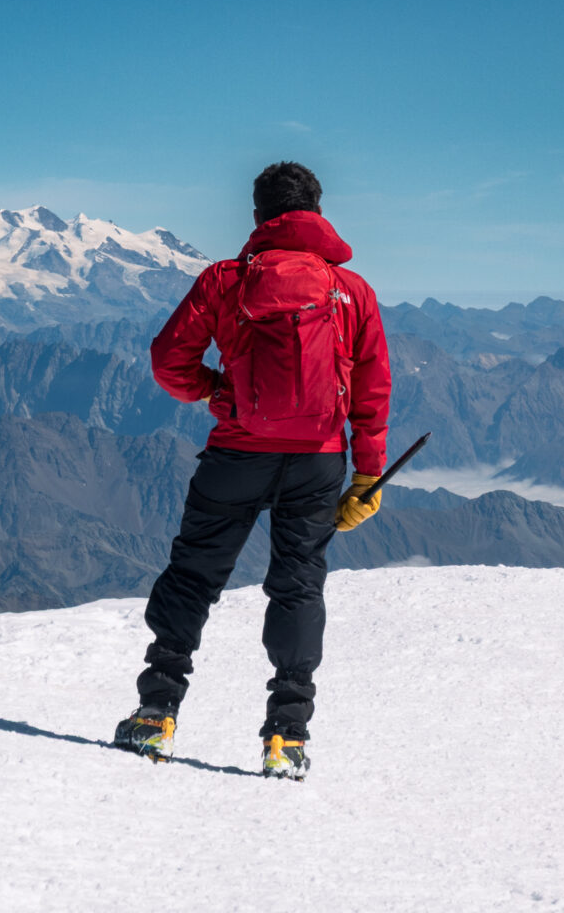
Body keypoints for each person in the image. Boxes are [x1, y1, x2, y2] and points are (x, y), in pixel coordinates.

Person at [113, 161, 391, 779]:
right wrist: (367, 477)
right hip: (319, 461)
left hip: (238, 453)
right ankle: (286, 737)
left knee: (193, 575)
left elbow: (168, 362)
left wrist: (218, 393)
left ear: (259, 215)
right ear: (317, 213)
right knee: (298, 586)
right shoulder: (354, 292)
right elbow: (373, 393)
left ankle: (156, 713)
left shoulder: (226, 281)